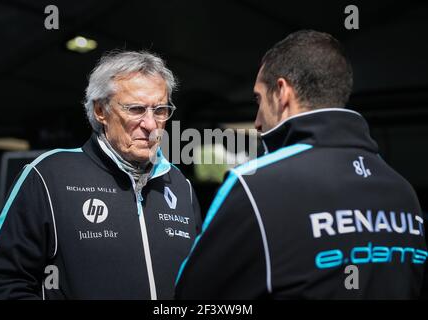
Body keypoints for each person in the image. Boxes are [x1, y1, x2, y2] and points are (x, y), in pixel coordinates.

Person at [175, 30, 427, 299]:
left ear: (282, 92)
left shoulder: (255, 186)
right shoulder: (403, 192)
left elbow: (190, 296)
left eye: (258, 100)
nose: (257, 121)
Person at [0, 51, 201, 299]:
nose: (150, 124)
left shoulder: (180, 185)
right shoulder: (48, 175)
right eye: (136, 109)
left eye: (160, 110)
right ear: (100, 111)